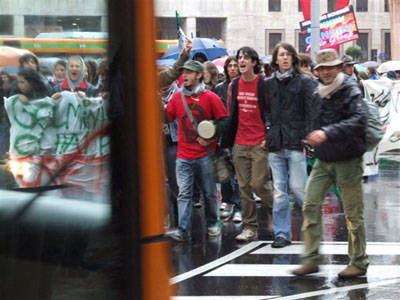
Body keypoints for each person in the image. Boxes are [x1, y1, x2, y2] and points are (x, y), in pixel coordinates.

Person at [293, 49, 369, 279]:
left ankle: (358, 261)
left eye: (330, 67)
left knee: (353, 213)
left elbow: (359, 120)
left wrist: (326, 133)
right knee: (309, 204)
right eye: (322, 68)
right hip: (324, 159)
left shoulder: (350, 89)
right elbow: (313, 120)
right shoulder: (318, 91)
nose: (326, 72)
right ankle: (311, 259)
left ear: (338, 68)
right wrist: (309, 139)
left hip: (347, 159)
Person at [166, 60, 229, 242]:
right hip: (183, 155)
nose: (184, 76)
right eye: (183, 72)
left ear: (199, 75)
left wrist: (210, 135)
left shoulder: (210, 97)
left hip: (204, 155)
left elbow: (224, 121)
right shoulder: (177, 98)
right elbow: (167, 116)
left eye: (189, 72)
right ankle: (183, 229)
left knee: (209, 192)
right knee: (184, 193)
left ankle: (212, 223)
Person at [265, 43, 315, 248]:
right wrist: (268, 130)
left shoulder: (304, 82)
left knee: (299, 188)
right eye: (281, 55)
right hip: (275, 143)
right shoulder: (268, 83)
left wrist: (307, 140)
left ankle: (313, 229)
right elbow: (265, 110)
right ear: (276, 59)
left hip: (296, 143)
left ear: (293, 58)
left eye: (287, 54)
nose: (284, 58)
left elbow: (311, 113)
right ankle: (282, 234)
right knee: (279, 191)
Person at [221, 46, 274, 243]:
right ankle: (250, 227)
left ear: (254, 63)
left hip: (260, 142)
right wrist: (228, 141)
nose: (241, 61)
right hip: (240, 143)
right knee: (243, 187)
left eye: (245, 58)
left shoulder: (264, 84)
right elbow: (230, 114)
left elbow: (271, 112)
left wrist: (268, 136)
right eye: (239, 57)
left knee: (259, 184)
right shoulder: (233, 85)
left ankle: (275, 213)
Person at [214, 56, 242, 222]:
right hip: (224, 132)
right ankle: (227, 200)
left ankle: (238, 206)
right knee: (224, 169)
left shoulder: (242, 85)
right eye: (229, 66)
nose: (232, 68)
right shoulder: (220, 88)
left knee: (239, 171)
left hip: (239, 132)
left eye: (235, 65)